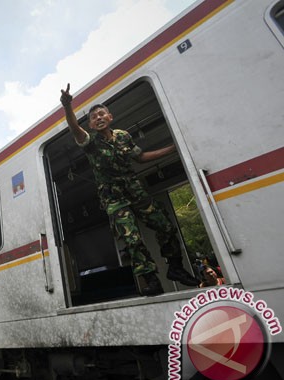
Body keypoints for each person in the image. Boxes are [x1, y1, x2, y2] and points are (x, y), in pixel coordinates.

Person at [60, 83, 199, 296]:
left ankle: (176, 267)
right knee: (132, 238)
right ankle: (151, 279)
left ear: (110, 117)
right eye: (94, 117)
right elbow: (74, 129)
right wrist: (67, 106)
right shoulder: (90, 142)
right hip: (112, 197)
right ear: (90, 124)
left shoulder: (123, 136)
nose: (98, 118)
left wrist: (173, 148)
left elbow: (140, 157)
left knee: (165, 226)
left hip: (134, 189)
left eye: (101, 114)